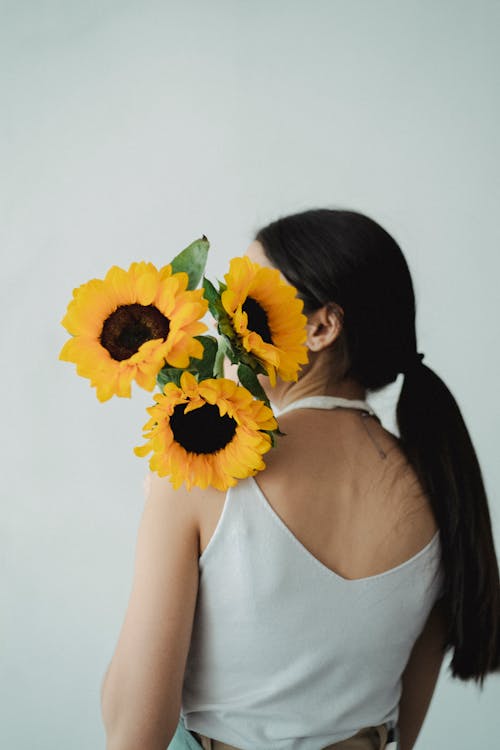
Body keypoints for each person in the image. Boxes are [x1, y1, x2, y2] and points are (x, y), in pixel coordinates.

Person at [100, 209, 500, 750]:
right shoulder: (444, 489)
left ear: (321, 327)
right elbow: (402, 736)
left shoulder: (200, 469)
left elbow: (132, 733)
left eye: (249, 298)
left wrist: (161, 508)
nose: (224, 318)